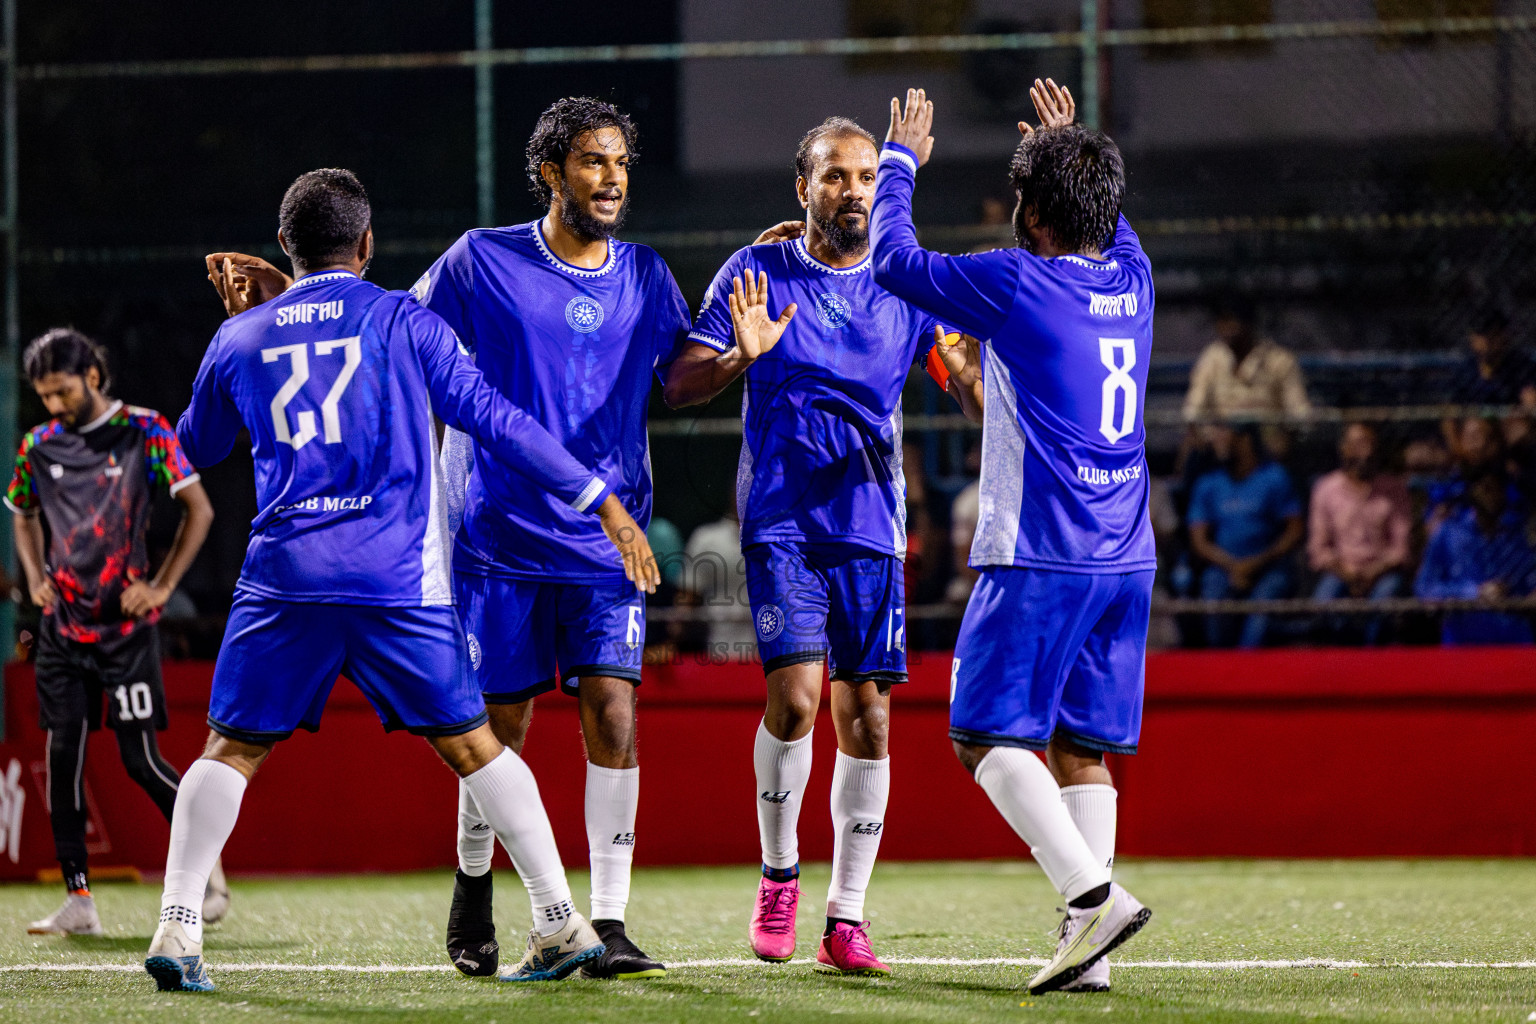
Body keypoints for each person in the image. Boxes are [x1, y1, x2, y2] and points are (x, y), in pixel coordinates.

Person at [147, 168, 657, 992]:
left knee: (230, 748)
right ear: (368, 242)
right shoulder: (404, 321)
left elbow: (196, 448)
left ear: (286, 246)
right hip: (396, 582)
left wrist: (247, 325)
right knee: (474, 745)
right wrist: (598, 497)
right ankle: (562, 920)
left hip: (284, 581)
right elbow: (495, 419)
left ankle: (176, 927)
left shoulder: (241, 337)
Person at [871, 80, 1153, 995]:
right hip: (1128, 557)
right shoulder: (1135, 279)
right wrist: (1071, 148)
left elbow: (893, 262)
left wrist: (901, 160)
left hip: (1042, 551)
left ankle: (1091, 895)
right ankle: (1089, 963)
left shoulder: (1015, 279)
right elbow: (1108, 217)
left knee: (980, 734)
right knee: (1081, 746)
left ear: (1028, 214)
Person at [664, 114, 956, 976]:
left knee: (867, 716)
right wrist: (735, 362)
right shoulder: (756, 269)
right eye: (835, 176)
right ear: (803, 188)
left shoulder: (905, 283)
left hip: (871, 523)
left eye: (867, 175)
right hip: (785, 518)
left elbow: (963, 381)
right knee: (795, 701)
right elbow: (678, 383)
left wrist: (987, 363)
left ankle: (847, 919)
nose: (853, 190)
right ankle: (780, 876)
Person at [7, 328, 220, 938]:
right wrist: (34, 576)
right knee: (63, 755)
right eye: (45, 396)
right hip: (62, 632)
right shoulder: (37, 444)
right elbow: (21, 515)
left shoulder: (147, 431)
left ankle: (206, 871)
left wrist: (160, 586)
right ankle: (79, 898)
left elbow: (199, 509)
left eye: (63, 392)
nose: (54, 406)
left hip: (126, 634)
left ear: (93, 378)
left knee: (140, 761)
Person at [1187, 423, 1304, 648]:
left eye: (1223, 432)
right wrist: (1233, 566)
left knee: (1259, 620)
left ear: (1245, 440)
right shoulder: (1209, 483)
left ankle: (1249, 674)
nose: (1216, 440)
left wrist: (1256, 563)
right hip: (1222, 568)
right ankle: (1220, 672)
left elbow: (1295, 530)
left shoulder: (1274, 477)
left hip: (1268, 567)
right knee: (1213, 599)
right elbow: (1198, 540)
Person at [1307, 423, 1412, 643]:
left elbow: (1401, 547)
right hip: (1341, 569)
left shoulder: (1394, 489)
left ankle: (1372, 661)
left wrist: (1374, 571)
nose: (1365, 451)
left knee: (1384, 603)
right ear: (1344, 449)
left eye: (1369, 444)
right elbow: (1318, 547)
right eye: (1357, 444)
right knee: (1324, 603)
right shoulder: (1326, 488)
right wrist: (1346, 572)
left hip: (1382, 570)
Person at [1415, 468, 1536, 644]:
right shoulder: (1448, 533)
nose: (1491, 496)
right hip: (1465, 642)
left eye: (1497, 489)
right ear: (1471, 491)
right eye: (1485, 489)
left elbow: (1530, 581)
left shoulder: (1517, 536)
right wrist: (1474, 593)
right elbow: (1425, 588)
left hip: (1514, 639)